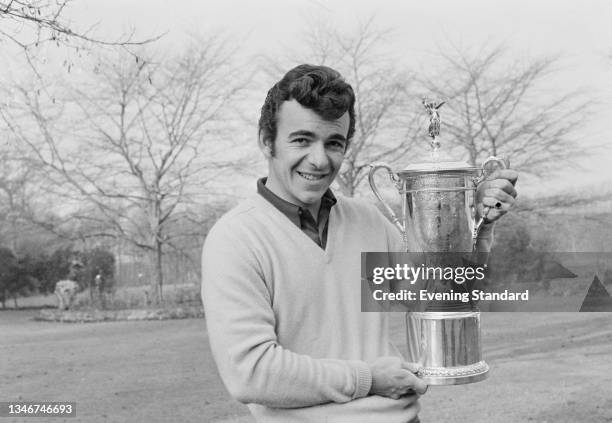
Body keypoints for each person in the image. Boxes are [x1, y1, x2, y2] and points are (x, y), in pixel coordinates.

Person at [201, 64, 518, 423]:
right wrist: (369, 380)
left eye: (334, 143)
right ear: (266, 141)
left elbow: (441, 296)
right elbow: (252, 373)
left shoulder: (366, 219)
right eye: (302, 139)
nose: (320, 160)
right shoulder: (235, 240)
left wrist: (475, 225)